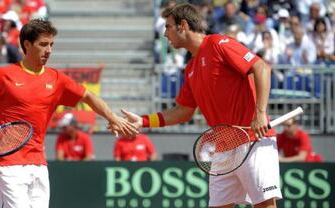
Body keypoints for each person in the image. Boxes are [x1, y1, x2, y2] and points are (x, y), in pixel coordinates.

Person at [0, 19, 136, 208]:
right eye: (43, 44)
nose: (49, 50)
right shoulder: (4, 75)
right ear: (27, 44)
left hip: (39, 164)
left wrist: (113, 118)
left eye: (51, 44)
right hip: (8, 164)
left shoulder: (57, 79)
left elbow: (88, 96)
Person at [117, 3, 281, 208]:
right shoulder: (191, 68)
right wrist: (143, 120)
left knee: (264, 206)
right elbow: (183, 112)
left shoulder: (219, 43)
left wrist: (260, 113)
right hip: (223, 147)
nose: (165, 34)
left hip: (254, 139)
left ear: (183, 25)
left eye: (168, 27)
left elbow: (261, 67)